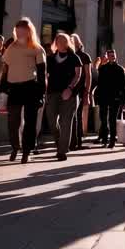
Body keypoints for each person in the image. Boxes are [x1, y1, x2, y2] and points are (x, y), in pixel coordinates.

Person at [1, 18, 46, 163]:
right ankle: (15, 147)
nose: (19, 31)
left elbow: (41, 73)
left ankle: (26, 151)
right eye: (17, 29)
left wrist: (41, 94)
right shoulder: (11, 48)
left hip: (31, 87)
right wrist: (3, 91)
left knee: (30, 122)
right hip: (14, 88)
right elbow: (5, 70)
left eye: (22, 29)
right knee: (13, 121)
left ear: (28, 30)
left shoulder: (37, 48)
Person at [44, 33, 83, 161]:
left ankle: (61, 151)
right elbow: (45, 75)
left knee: (66, 123)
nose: (61, 43)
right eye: (58, 41)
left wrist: (70, 88)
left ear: (67, 43)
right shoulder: (50, 58)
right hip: (52, 93)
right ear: (55, 43)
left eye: (63, 41)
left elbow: (78, 75)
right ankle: (60, 144)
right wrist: (45, 90)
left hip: (69, 95)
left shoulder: (74, 58)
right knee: (51, 121)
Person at [94, 50, 125, 147]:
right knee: (103, 119)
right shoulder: (103, 68)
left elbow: (123, 86)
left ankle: (112, 141)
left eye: (113, 55)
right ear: (108, 56)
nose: (112, 57)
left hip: (115, 98)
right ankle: (104, 139)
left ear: (115, 56)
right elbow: (99, 84)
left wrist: (123, 100)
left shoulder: (120, 69)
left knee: (112, 120)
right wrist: (97, 97)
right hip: (103, 97)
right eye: (110, 55)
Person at [70, 34, 93, 151]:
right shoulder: (69, 55)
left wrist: (87, 93)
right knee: (70, 116)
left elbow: (88, 75)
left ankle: (77, 142)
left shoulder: (85, 56)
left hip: (80, 90)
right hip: (69, 89)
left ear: (78, 44)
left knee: (77, 115)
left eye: (73, 42)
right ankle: (71, 141)